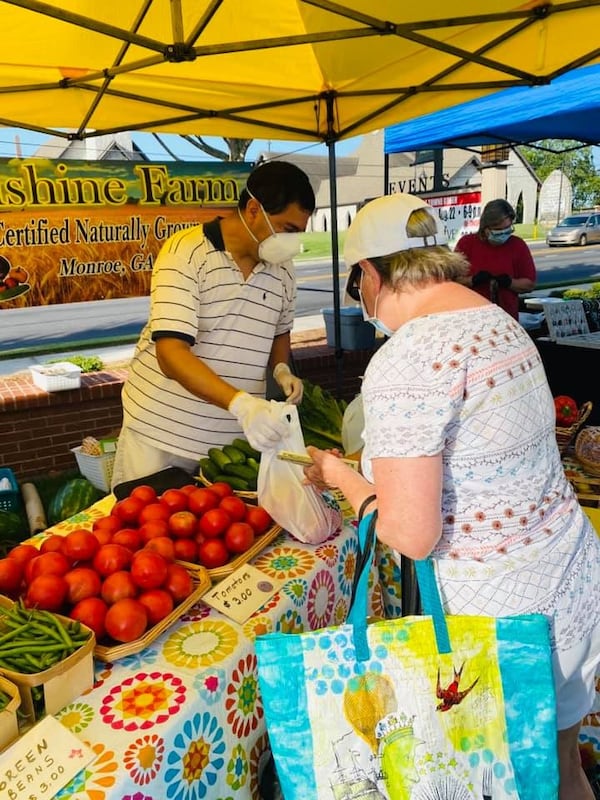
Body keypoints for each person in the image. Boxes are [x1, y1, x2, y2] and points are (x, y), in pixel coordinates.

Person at [303, 192, 600, 800]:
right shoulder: (499, 322)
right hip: (569, 586)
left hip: (502, 621)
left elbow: (411, 534)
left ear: (369, 273)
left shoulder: (407, 357)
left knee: (504, 781)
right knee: (563, 771)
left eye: (355, 281)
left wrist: (343, 479)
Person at [111, 160, 315, 488]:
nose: (292, 242)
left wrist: (281, 370)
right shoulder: (186, 253)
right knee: (147, 530)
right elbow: (170, 353)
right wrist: (242, 404)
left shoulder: (284, 270)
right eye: (288, 229)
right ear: (253, 209)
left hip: (230, 444)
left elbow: (280, 331)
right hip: (161, 434)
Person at [454, 198, 536, 319]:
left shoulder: (517, 245)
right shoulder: (467, 244)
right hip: (471, 316)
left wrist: (509, 283)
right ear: (485, 228)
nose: (503, 234)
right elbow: (452, 281)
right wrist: (473, 280)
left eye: (507, 229)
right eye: (498, 230)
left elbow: (529, 283)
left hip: (506, 317)